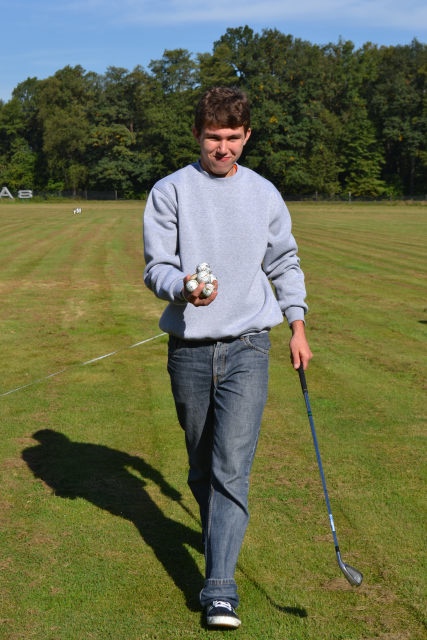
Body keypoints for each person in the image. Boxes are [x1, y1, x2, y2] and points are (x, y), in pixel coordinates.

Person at [143, 86, 312, 629]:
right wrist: (183, 287)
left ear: (247, 136)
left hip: (249, 347)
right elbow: (156, 266)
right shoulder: (170, 191)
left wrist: (297, 327)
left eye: (233, 137)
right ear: (197, 134)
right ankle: (219, 534)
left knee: (230, 468)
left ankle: (219, 589)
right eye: (214, 137)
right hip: (190, 351)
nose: (223, 148)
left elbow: (284, 262)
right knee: (201, 467)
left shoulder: (264, 193)